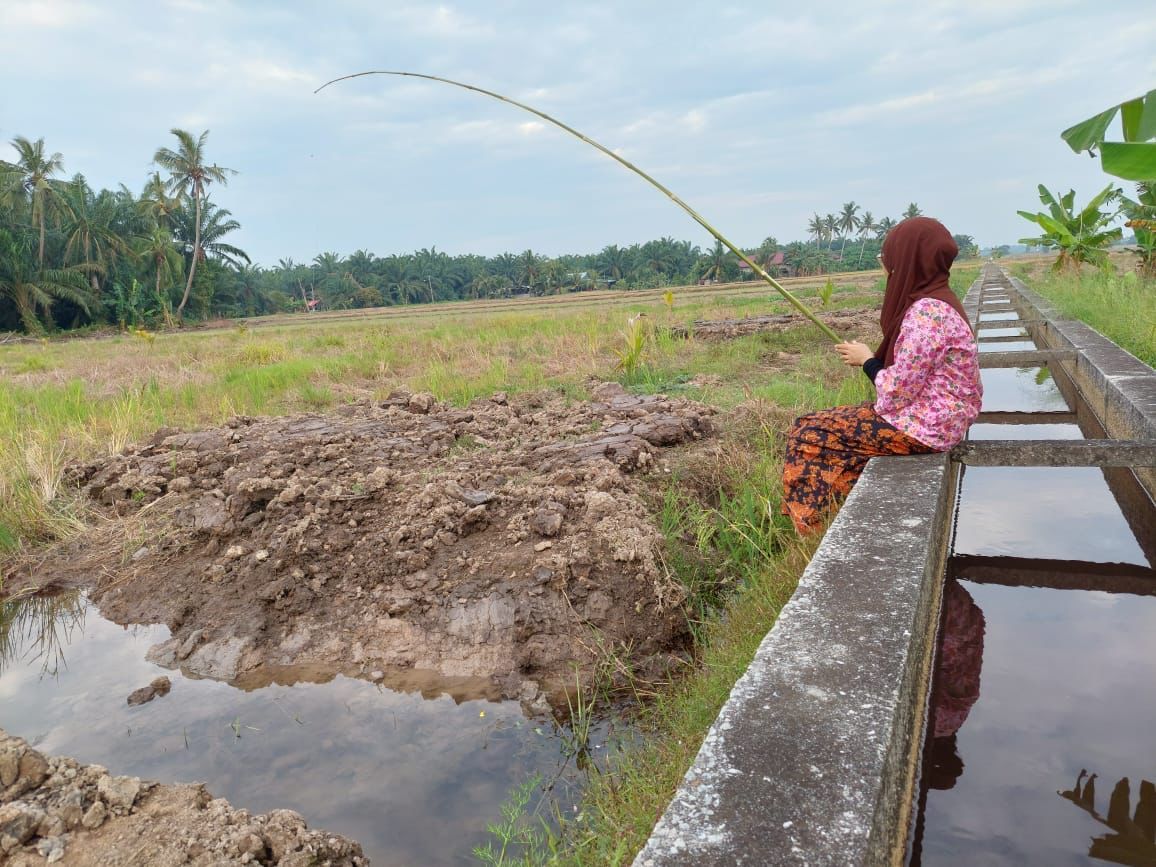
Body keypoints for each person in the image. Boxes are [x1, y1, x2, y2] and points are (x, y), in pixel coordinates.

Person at [780, 217, 982, 534]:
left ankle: (808, 527)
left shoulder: (927, 313)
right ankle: (839, 518)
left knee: (809, 432)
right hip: (937, 419)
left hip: (928, 426)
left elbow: (897, 391)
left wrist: (867, 361)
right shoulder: (941, 300)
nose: (885, 267)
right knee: (833, 429)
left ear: (906, 260)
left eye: (887, 259)